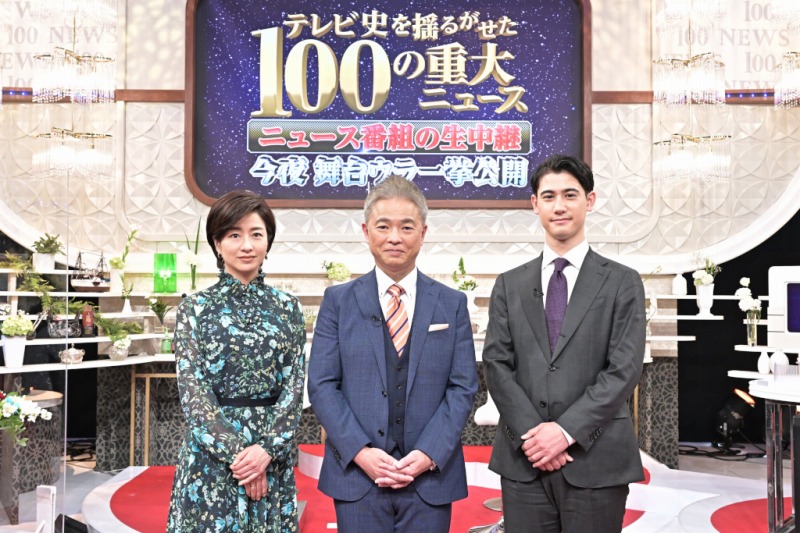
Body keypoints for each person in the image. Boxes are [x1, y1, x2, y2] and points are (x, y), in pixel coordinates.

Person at [483, 154, 646, 533]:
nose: (559, 206)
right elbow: (497, 365)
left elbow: (623, 369)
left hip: (596, 458)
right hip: (525, 459)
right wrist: (534, 436)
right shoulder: (509, 284)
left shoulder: (622, 281)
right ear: (534, 204)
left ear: (590, 200)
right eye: (549, 196)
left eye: (570, 195)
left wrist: (565, 432)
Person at [308, 175, 478, 533]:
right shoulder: (338, 302)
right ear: (366, 231)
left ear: (423, 233)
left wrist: (428, 454)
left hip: (429, 478)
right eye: (383, 226)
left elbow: (462, 387)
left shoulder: (451, 304)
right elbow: (322, 385)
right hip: (358, 476)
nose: (395, 237)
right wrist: (362, 453)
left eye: (406, 227)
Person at [167, 190, 306, 532]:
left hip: (271, 456)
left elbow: (294, 387)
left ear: (268, 242)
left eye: (256, 234)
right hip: (211, 457)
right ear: (217, 243)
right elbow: (193, 392)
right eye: (234, 235)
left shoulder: (289, 308)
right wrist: (241, 458)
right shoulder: (194, 308)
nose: (247, 245)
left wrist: (266, 451)